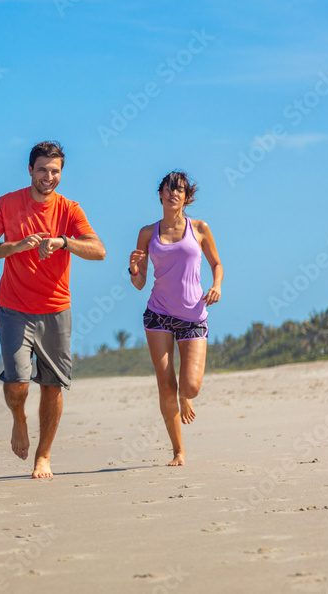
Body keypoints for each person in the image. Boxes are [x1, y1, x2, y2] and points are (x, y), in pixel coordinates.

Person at [0, 141, 105, 479]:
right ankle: (19, 419)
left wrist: (63, 241)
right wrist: (14, 246)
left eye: (55, 171)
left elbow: (98, 250)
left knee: (52, 386)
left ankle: (43, 457)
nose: (49, 176)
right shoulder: (8, 203)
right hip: (14, 308)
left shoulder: (70, 209)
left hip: (56, 311)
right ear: (30, 170)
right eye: (43, 169)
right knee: (17, 382)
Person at [129, 171, 223, 466]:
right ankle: (178, 451)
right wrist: (133, 269)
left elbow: (216, 263)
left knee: (190, 387)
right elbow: (140, 282)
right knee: (166, 385)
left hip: (193, 316)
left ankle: (186, 395)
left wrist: (216, 285)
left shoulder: (199, 228)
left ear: (186, 197)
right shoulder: (147, 233)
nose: (173, 193)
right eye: (168, 189)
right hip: (158, 314)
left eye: (179, 190)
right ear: (160, 195)